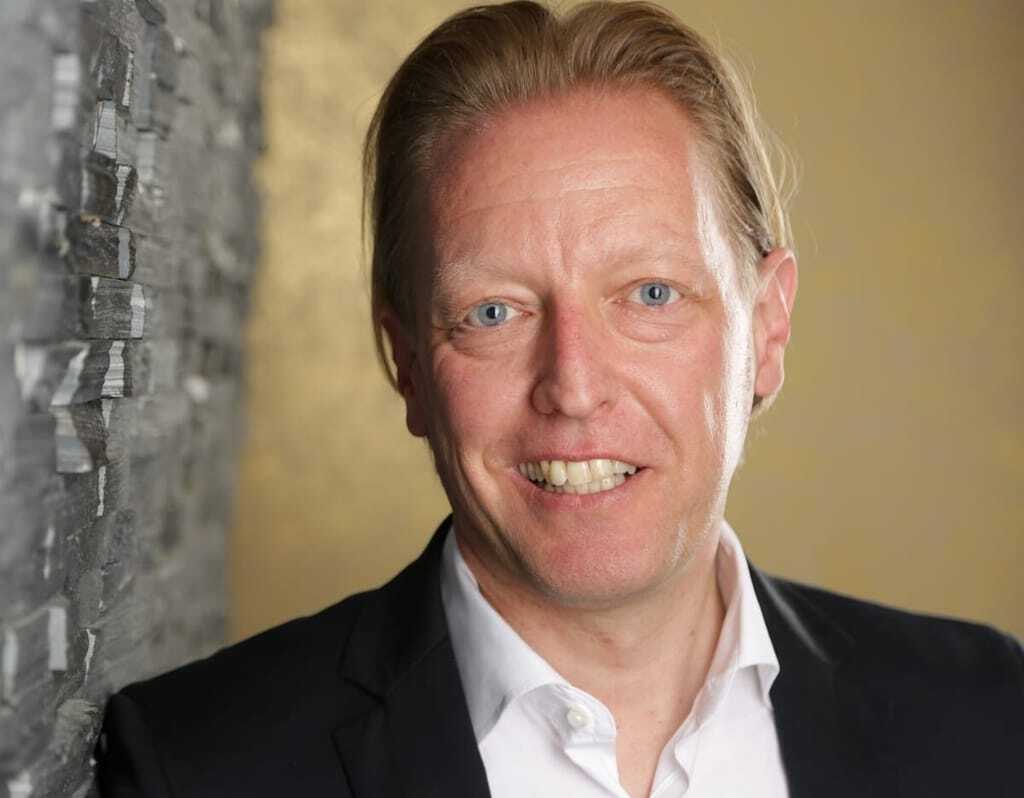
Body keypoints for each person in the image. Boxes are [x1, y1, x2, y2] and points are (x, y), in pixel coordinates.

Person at [96, 2, 1023, 796]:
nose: (573, 387)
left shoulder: (989, 718)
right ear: (407, 361)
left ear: (767, 330)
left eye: (650, 294)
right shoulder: (197, 767)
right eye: (493, 312)